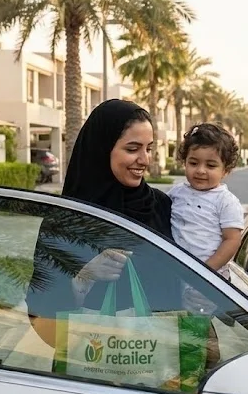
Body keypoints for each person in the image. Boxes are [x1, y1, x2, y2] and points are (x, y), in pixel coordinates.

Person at [26, 99, 181, 345]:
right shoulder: (67, 218)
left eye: (149, 148)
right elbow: (40, 313)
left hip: (162, 365)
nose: (144, 160)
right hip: (91, 367)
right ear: (101, 149)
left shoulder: (161, 206)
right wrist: (83, 277)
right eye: (132, 149)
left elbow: (179, 285)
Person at [167, 123, 245, 280]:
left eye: (210, 165)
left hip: (211, 279)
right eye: (193, 163)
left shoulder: (226, 201)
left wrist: (205, 272)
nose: (200, 170)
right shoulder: (176, 193)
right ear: (185, 162)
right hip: (176, 275)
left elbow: (232, 240)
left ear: (226, 170)